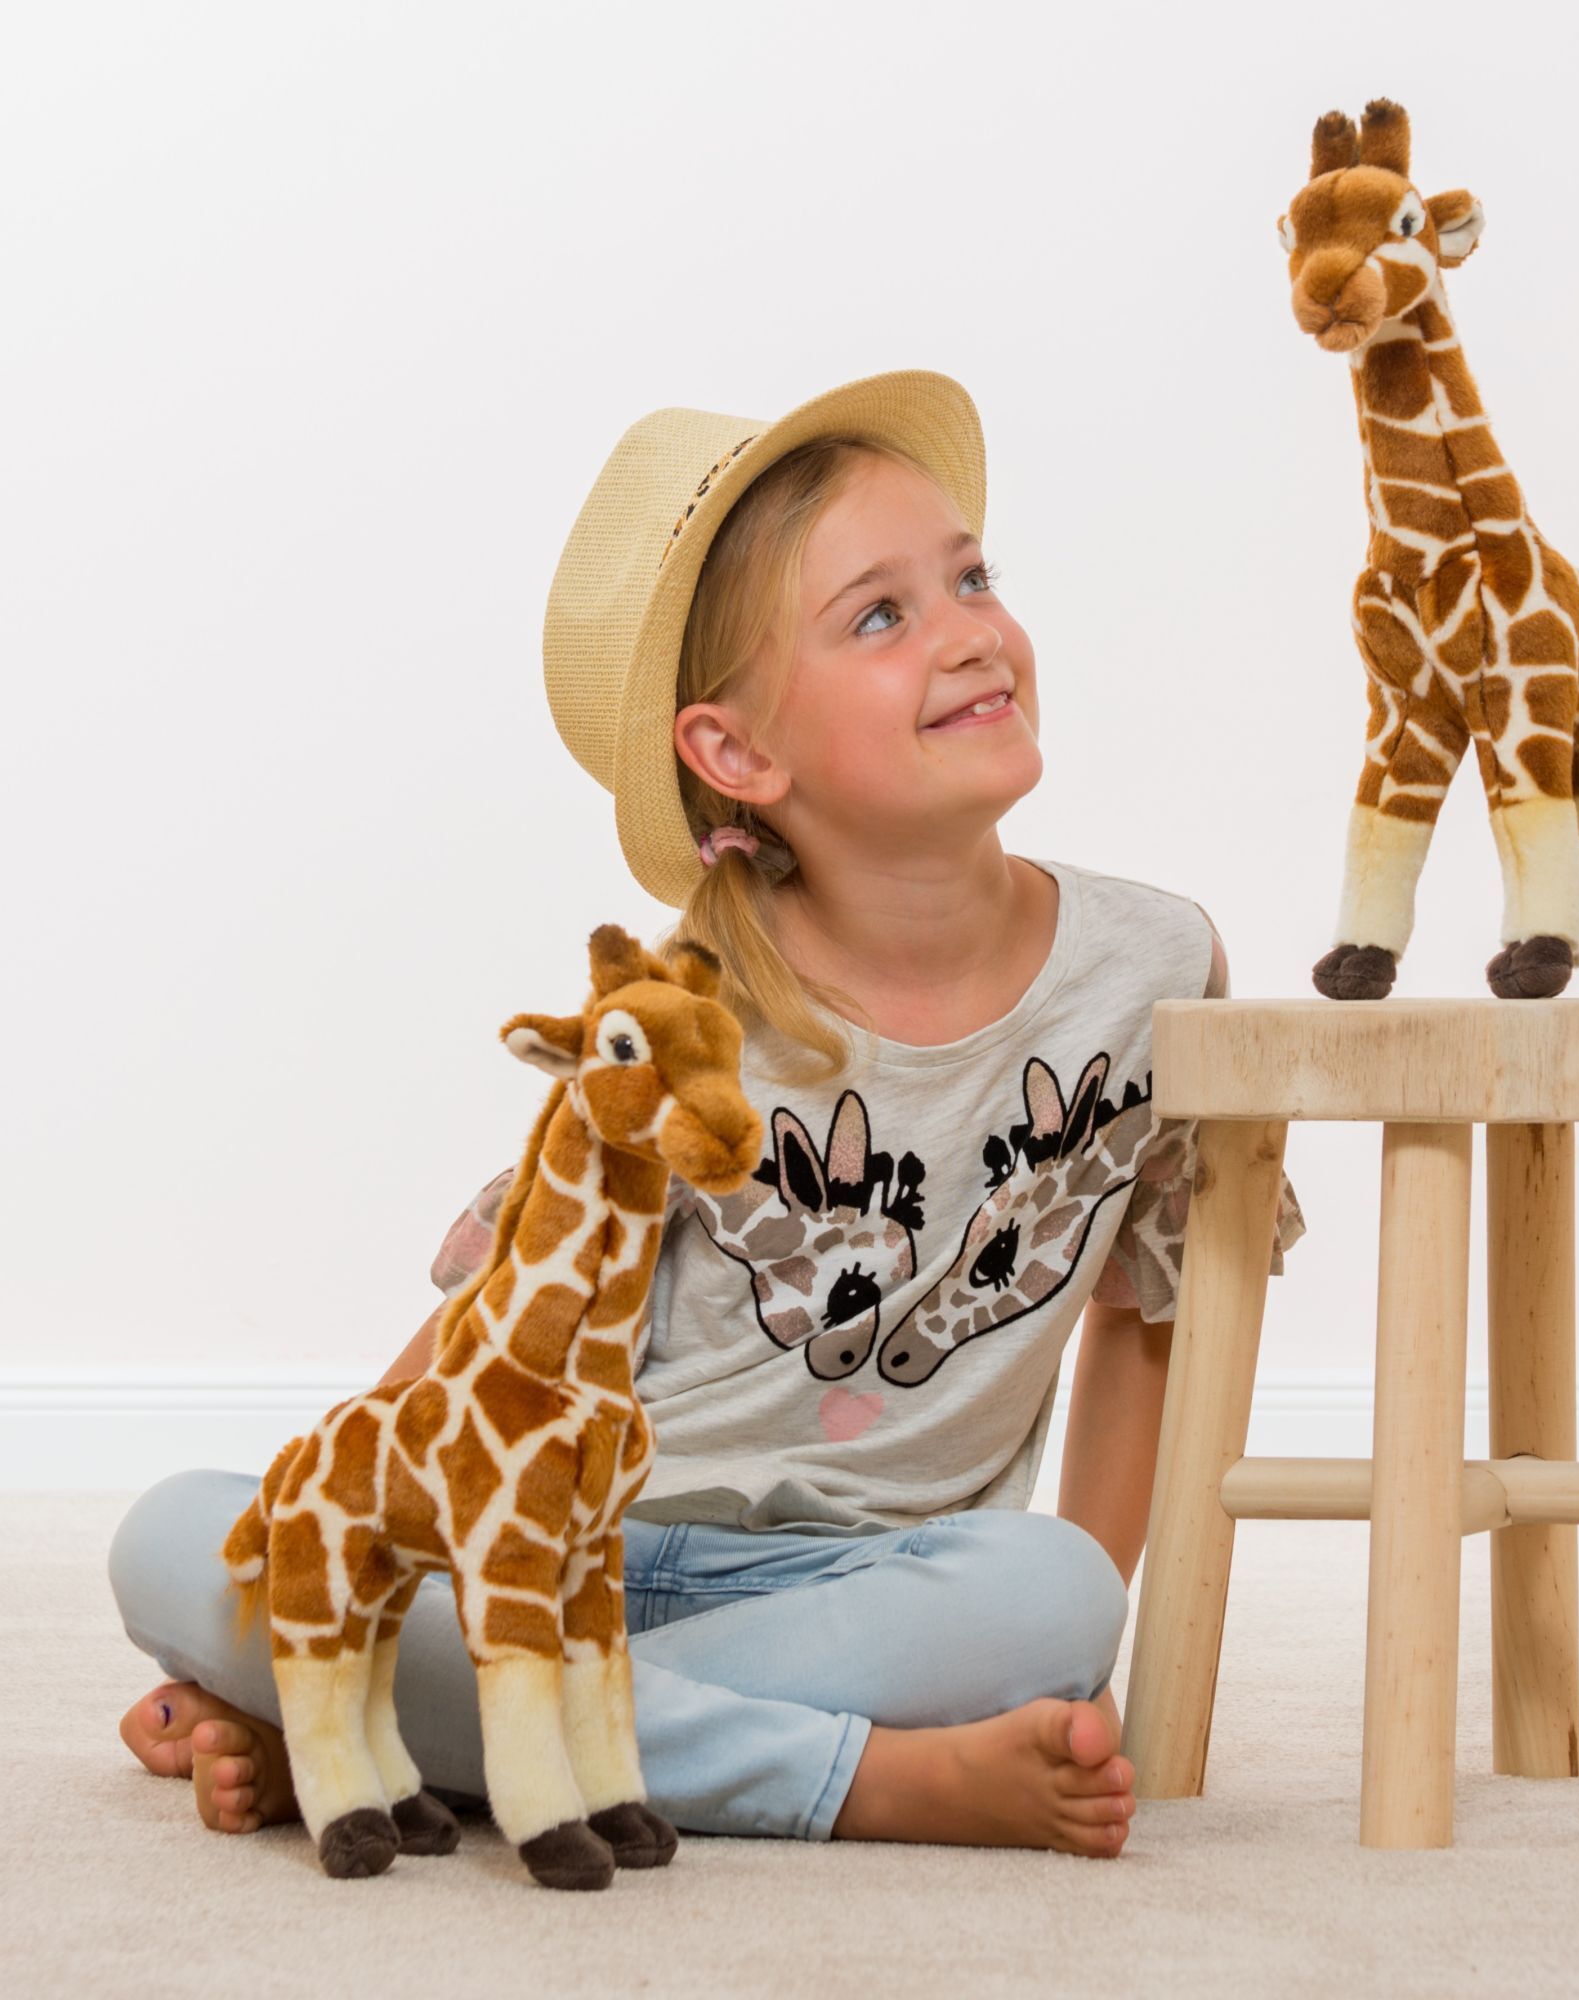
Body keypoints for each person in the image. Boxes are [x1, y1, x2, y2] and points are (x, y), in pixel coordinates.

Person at [109, 370, 1305, 1857]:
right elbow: (499, 1330)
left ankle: (388, 1722)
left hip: (867, 1583)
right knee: (176, 1535)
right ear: (737, 755)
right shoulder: (684, 1014)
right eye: (881, 616)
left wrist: (1084, 1634)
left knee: (1054, 1596)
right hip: (568, 1544)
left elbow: (1153, 1310)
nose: (970, 633)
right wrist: (337, 1534)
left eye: (972, 578)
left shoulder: (1157, 971)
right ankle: (859, 1781)